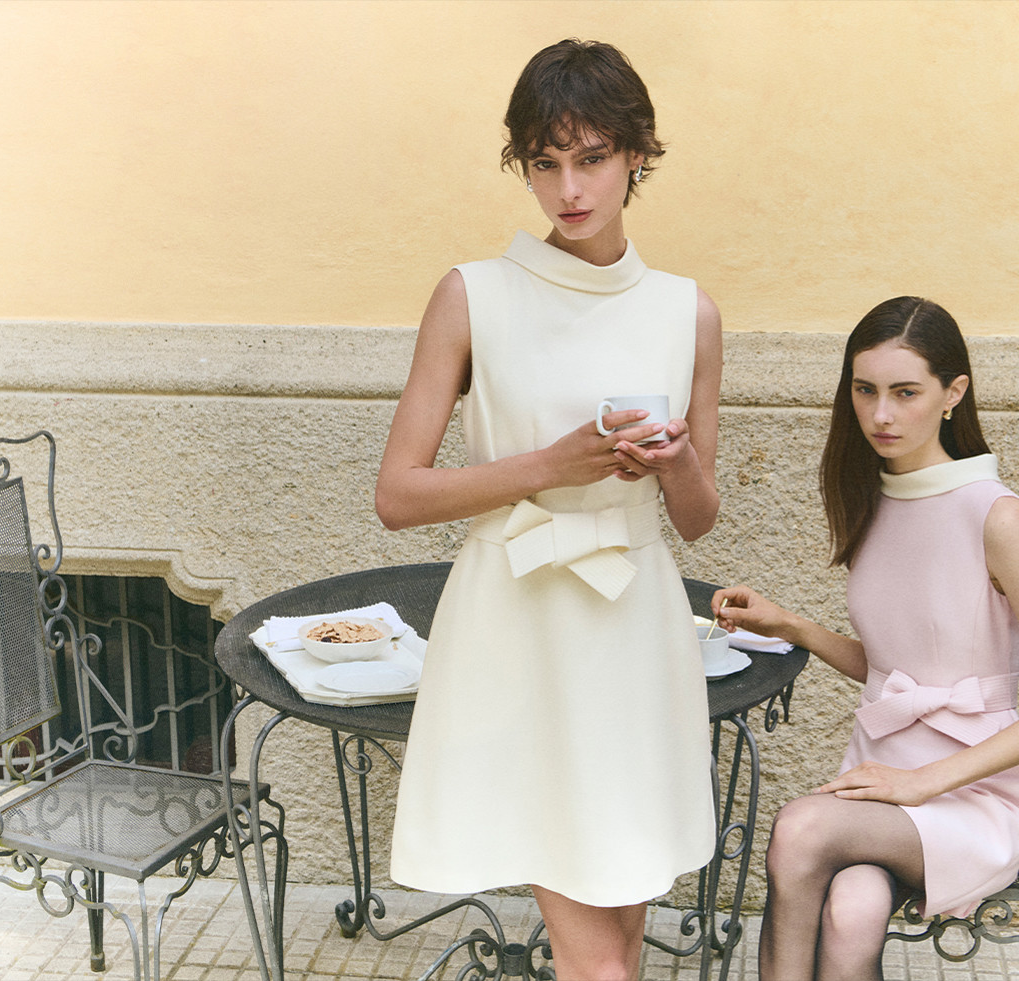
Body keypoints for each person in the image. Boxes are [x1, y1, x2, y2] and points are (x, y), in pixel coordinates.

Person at [376, 39, 720, 981]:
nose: (568, 189)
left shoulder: (688, 312)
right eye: (545, 162)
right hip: (515, 624)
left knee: (621, 946)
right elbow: (398, 494)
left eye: (592, 158)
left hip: (635, 627)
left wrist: (677, 460)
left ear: (637, 154)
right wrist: (547, 465)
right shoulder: (472, 295)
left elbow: (697, 518)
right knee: (599, 963)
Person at [711, 297, 1019, 981]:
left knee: (800, 828)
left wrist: (922, 783)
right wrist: (793, 626)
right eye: (865, 390)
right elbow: (900, 670)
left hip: (975, 793)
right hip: (886, 776)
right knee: (853, 907)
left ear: (953, 393)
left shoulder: (995, 515)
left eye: (905, 392)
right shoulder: (875, 497)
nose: (881, 415)